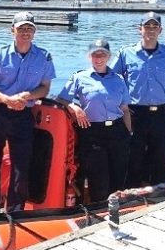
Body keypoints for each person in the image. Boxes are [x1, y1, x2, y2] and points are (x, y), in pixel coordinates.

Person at [0, 11, 56, 214]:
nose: (26, 32)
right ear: (12, 30)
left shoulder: (43, 57)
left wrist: (27, 96)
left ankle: (15, 212)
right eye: (21, 28)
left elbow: (45, 88)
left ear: (34, 32)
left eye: (30, 28)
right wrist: (7, 99)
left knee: (21, 167)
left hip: (23, 115)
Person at [109, 12, 165, 188]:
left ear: (160, 30)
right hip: (135, 113)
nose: (151, 30)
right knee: (133, 156)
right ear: (140, 29)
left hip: (161, 114)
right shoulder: (125, 53)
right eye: (147, 26)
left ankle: (160, 194)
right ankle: (130, 196)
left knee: (161, 157)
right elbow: (113, 81)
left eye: (154, 27)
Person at [57, 39, 132, 202]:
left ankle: (117, 211)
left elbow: (125, 109)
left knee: (118, 176)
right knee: (98, 179)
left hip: (118, 131)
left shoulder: (118, 79)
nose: (99, 58)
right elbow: (61, 99)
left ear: (109, 56)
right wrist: (74, 108)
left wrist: (128, 133)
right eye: (95, 55)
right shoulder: (79, 77)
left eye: (103, 54)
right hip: (92, 132)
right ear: (89, 57)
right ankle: (100, 213)